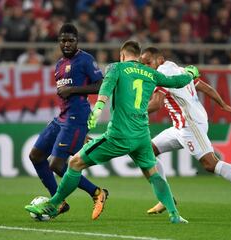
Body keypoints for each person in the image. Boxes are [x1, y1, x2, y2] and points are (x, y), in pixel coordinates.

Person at [25, 40, 200, 223]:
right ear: (139, 57)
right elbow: (176, 81)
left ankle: (53, 205)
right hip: (141, 136)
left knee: (75, 163)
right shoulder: (151, 73)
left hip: (119, 135)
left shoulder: (116, 68)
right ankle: (174, 214)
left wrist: (99, 108)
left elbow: (106, 87)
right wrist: (190, 72)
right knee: (153, 174)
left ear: (122, 55)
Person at [140, 47, 231, 215]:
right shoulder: (178, 69)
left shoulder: (163, 73)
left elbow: (156, 104)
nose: (147, 67)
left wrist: (132, 112)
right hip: (181, 126)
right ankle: (166, 198)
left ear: (160, 60)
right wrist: (223, 104)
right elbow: (204, 87)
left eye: (148, 63)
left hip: (190, 124)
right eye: (143, 64)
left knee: (210, 164)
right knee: (147, 152)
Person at [28, 23, 107, 219]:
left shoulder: (85, 60)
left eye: (70, 40)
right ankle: (59, 201)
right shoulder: (59, 64)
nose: (66, 44)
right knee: (36, 156)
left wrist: (72, 90)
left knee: (56, 164)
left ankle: (97, 193)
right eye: (63, 40)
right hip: (61, 118)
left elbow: (101, 85)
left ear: (76, 41)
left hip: (76, 118)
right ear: (58, 42)